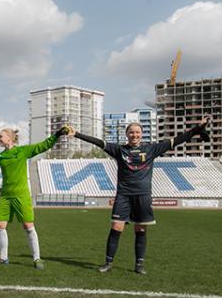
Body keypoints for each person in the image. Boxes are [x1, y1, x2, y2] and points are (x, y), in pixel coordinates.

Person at [70, 117, 211, 274]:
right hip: (123, 195)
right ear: (127, 134)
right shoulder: (119, 150)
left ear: (141, 134)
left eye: (137, 132)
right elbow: (98, 142)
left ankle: (139, 265)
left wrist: (196, 129)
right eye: (131, 132)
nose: (134, 135)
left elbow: (178, 140)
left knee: (141, 230)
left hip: (143, 196)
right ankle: (108, 263)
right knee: (116, 227)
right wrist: (76, 134)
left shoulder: (151, 149)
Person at [0, 127, 69, 269]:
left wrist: (57, 134)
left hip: (21, 195)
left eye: (1, 136)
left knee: (28, 226)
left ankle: (37, 258)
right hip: (5, 195)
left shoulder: (23, 151)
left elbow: (43, 145)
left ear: (9, 138)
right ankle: (3, 257)